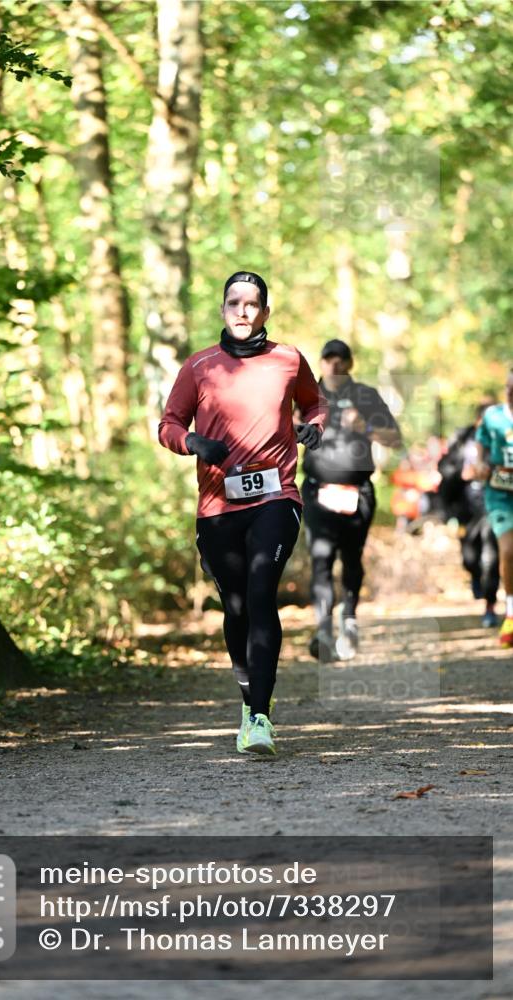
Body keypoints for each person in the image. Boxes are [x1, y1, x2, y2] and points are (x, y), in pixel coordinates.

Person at [158, 271, 327, 755]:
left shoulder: (289, 360)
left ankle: (259, 715)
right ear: (222, 310)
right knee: (234, 608)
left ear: (265, 313)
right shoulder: (200, 366)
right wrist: (192, 441)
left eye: (252, 304)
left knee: (259, 594)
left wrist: (313, 427)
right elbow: (168, 424)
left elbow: (315, 404)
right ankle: (248, 698)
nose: (242, 311)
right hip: (217, 506)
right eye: (234, 302)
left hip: (276, 496)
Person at [301, 339, 402, 661]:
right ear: (321, 363)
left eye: (339, 359)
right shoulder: (306, 395)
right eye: (327, 358)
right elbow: (279, 431)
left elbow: (395, 439)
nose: (333, 364)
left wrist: (366, 425)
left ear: (349, 363)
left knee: (351, 558)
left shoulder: (365, 396)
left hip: (358, 492)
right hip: (318, 490)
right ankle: (322, 629)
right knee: (321, 557)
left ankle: (349, 619)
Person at [441, 401, 500, 627]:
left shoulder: (503, 440)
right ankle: (475, 577)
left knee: (490, 556)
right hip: (465, 508)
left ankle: (490, 606)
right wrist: (462, 474)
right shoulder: (462, 439)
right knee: (470, 558)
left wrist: (491, 475)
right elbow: (445, 469)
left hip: (493, 505)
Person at [473, 370, 513, 649]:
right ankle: (511, 615)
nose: (510, 391)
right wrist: (481, 465)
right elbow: (480, 450)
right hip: (500, 494)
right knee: (508, 550)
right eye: (508, 386)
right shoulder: (493, 417)